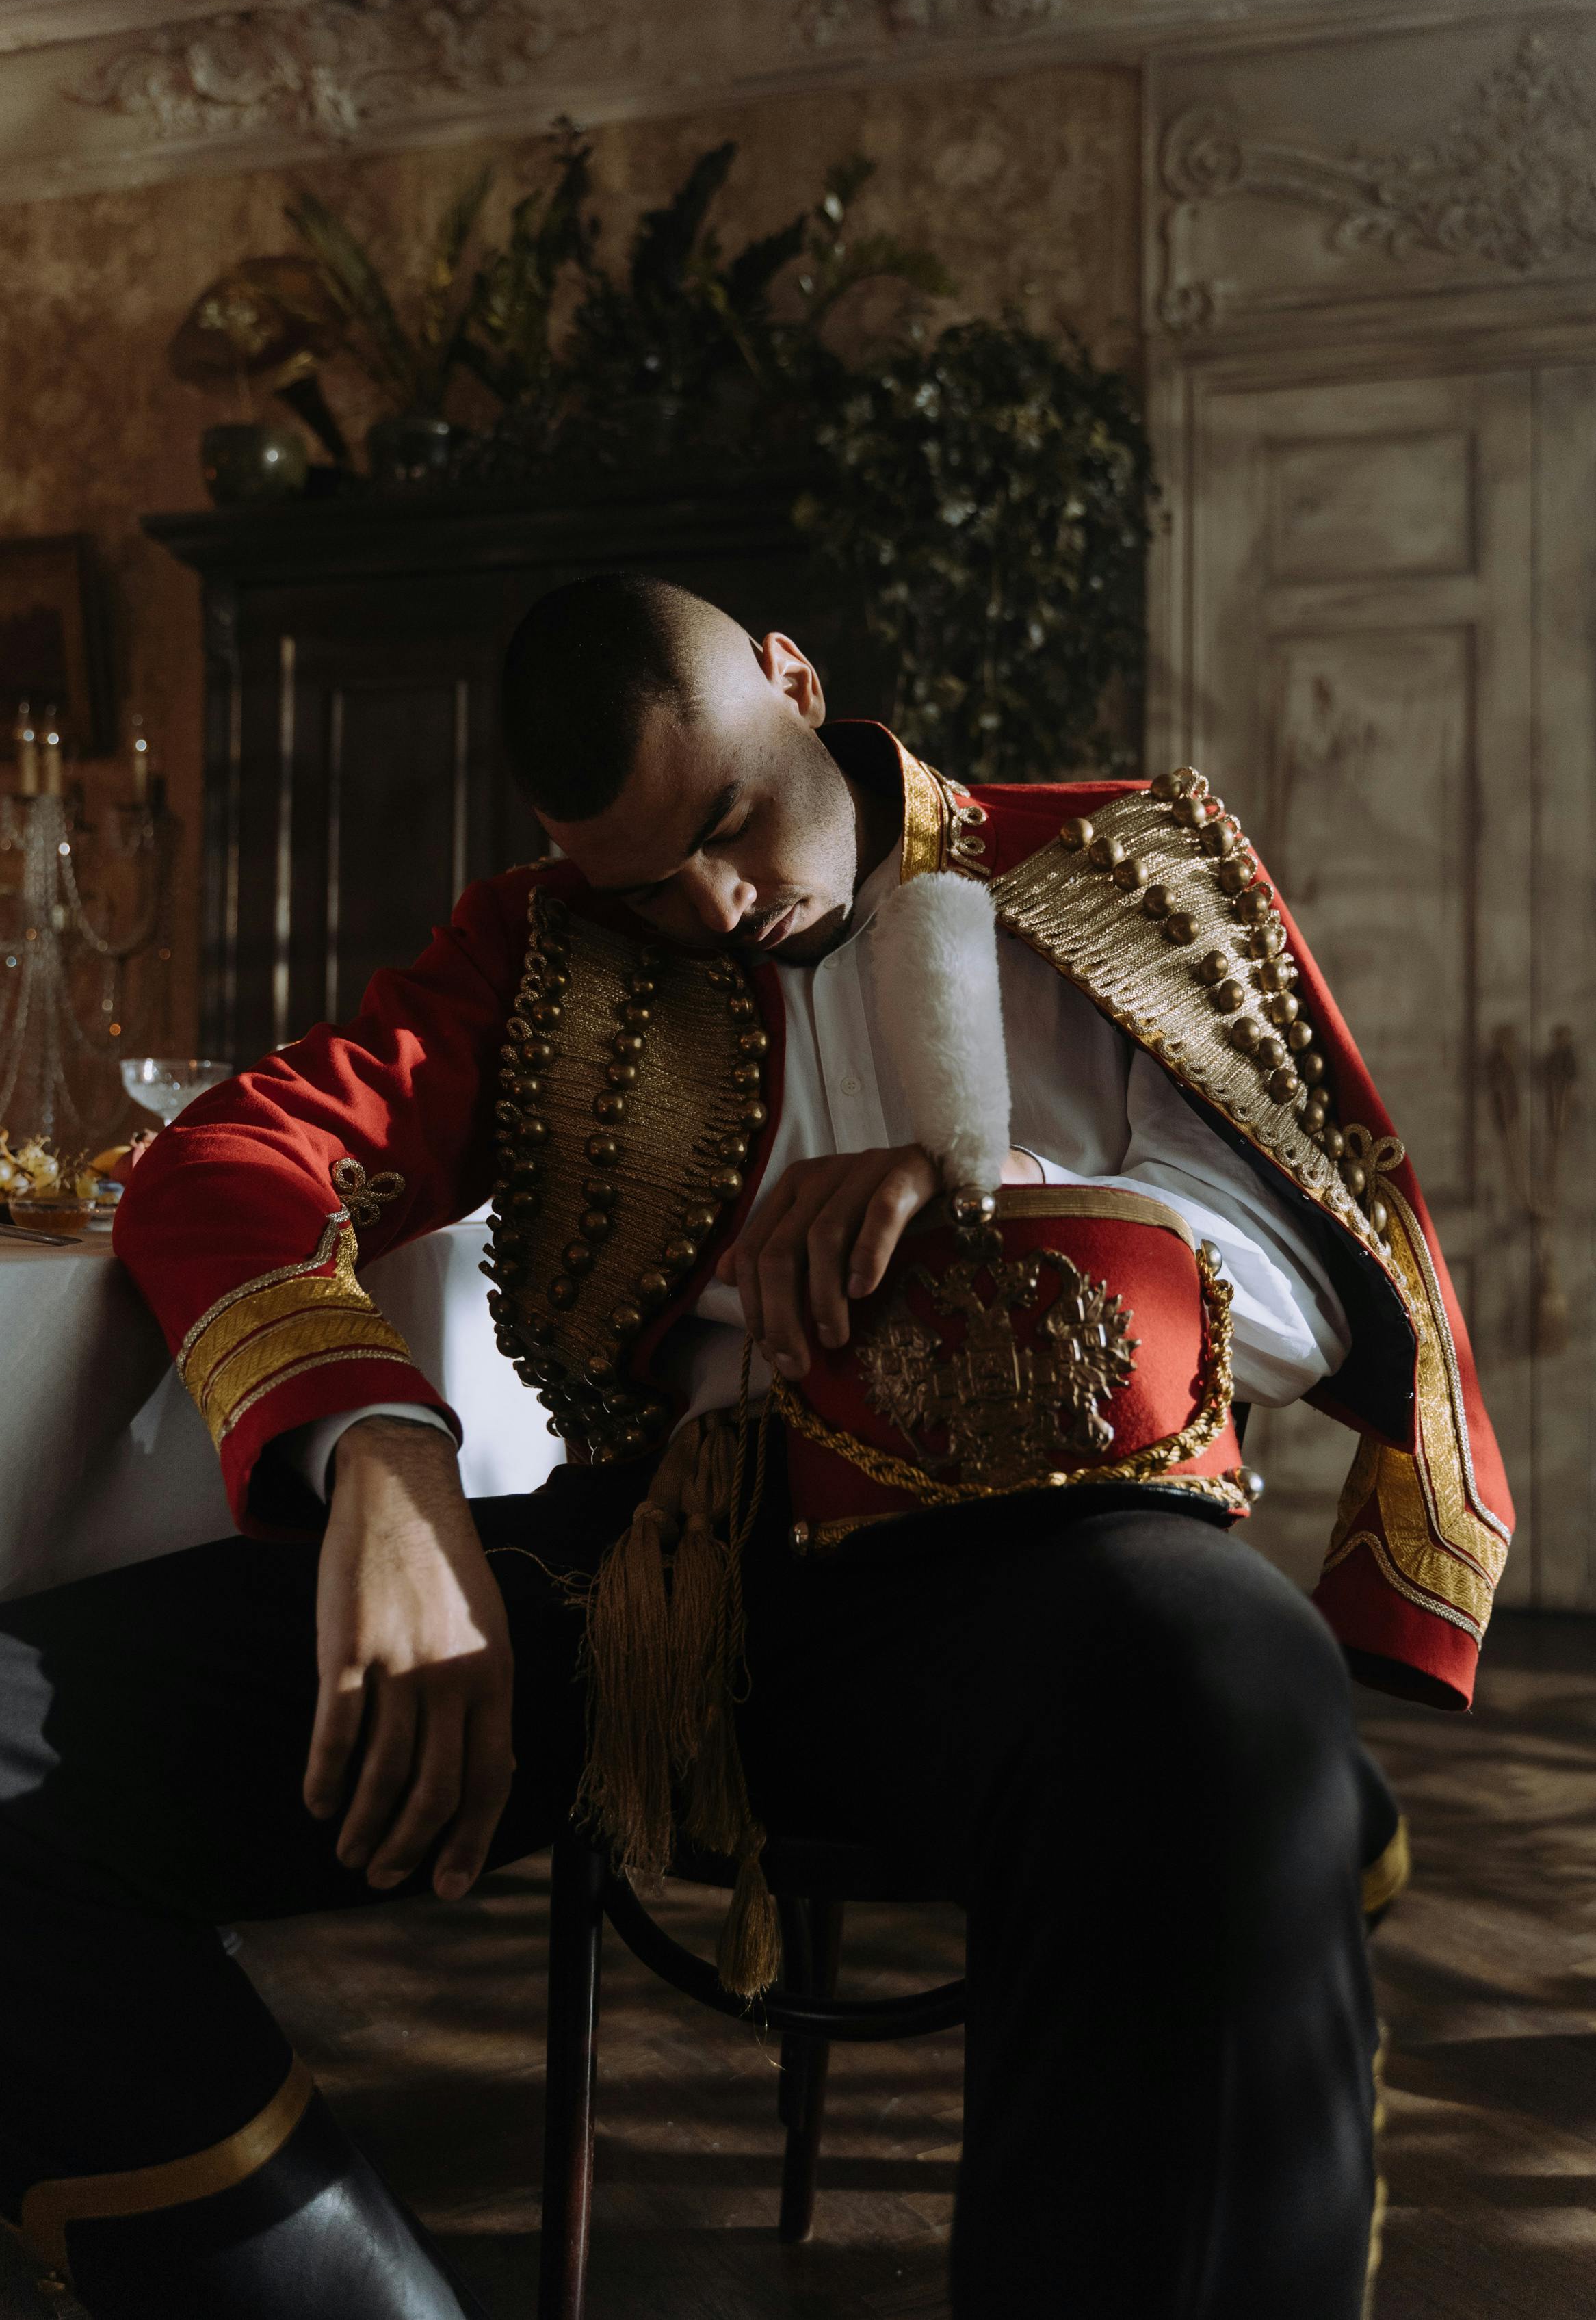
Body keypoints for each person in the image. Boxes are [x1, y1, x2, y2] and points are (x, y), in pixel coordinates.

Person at [0, 573, 1510, 2319]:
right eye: (640, 880)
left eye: (727, 823)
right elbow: (236, 1162)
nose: (709, 906)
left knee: (1224, 1689)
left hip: (1058, 1563)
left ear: (791, 677)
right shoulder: (541, 945)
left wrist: (985, 1200)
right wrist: (386, 1462)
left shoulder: (1120, 865)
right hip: (658, 1576)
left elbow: (1324, 1264)